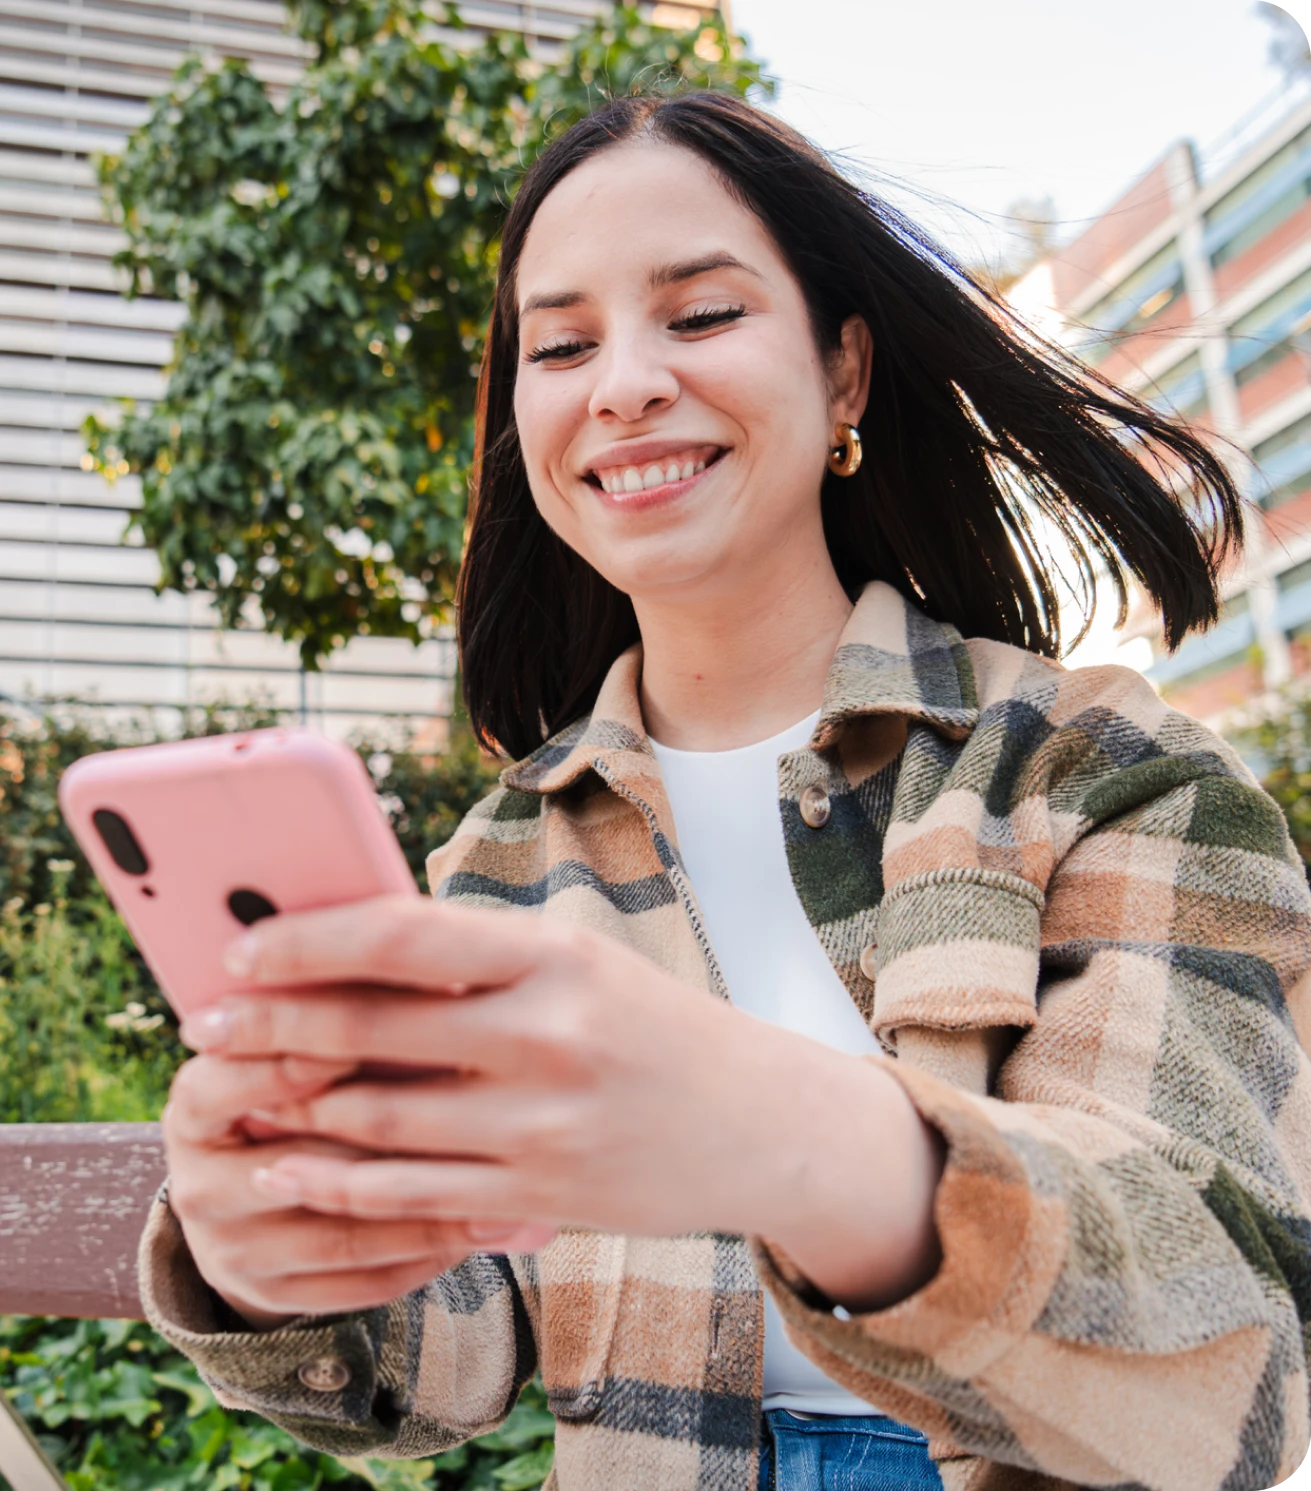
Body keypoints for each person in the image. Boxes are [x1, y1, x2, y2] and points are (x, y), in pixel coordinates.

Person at [139, 91, 1311, 1491]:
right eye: (560, 344)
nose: (622, 383)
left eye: (698, 316)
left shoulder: (1100, 767)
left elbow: (1222, 1326)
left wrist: (775, 1129)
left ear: (845, 373)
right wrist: (265, 1263)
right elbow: (447, 1355)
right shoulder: (502, 855)